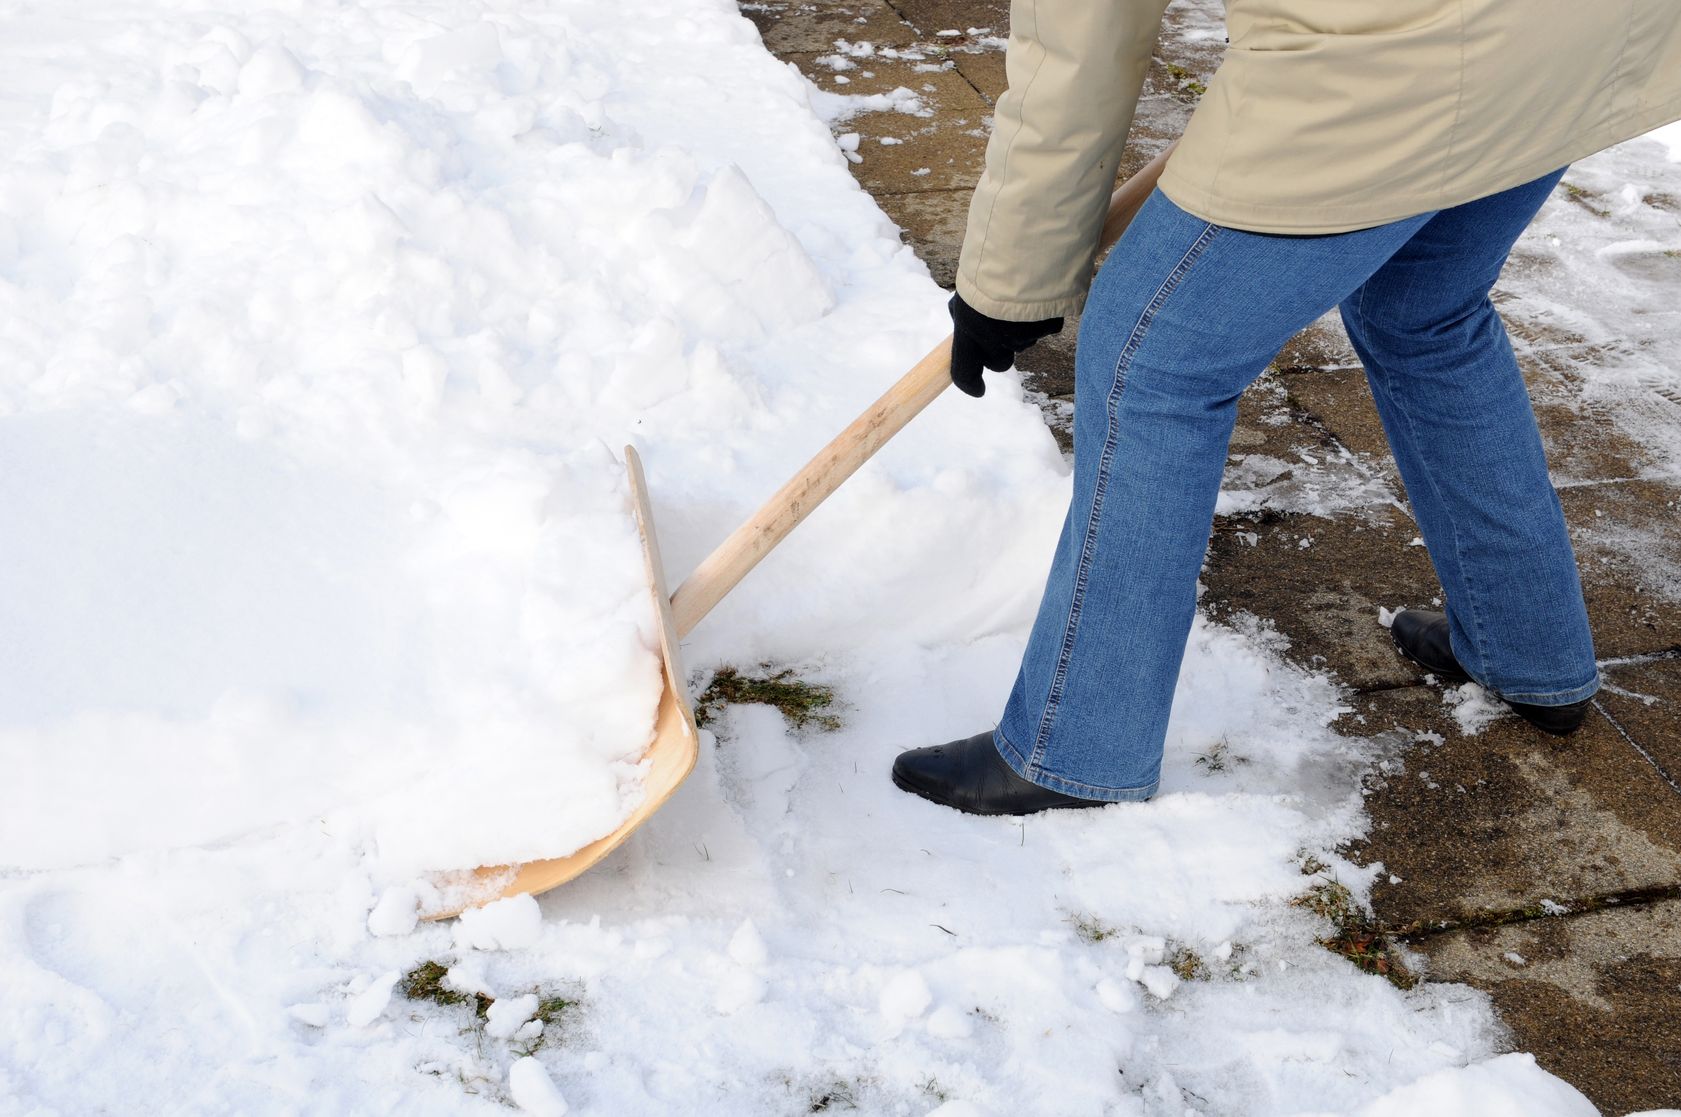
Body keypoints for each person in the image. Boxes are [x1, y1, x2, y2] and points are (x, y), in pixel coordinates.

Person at [890, 1, 1681, 816]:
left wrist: (1010, 281)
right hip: (1576, 36)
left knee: (1153, 360)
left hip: (1382, 63)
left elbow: (1078, 41)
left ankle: (1076, 744)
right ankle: (1529, 649)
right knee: (1427, 311)